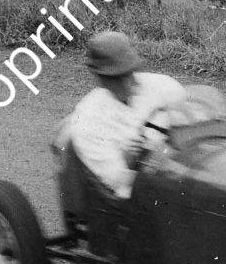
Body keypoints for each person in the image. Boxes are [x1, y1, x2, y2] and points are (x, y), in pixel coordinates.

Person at [59, 30, 185, 201]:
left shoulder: (164, 86)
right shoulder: (88, 120)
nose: (127, 84)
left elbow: (194, 122)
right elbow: (116, 180)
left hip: (181, 167)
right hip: (140, 199)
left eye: (128, 73)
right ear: (99, 78)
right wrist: (128, 158)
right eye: (116, 78)